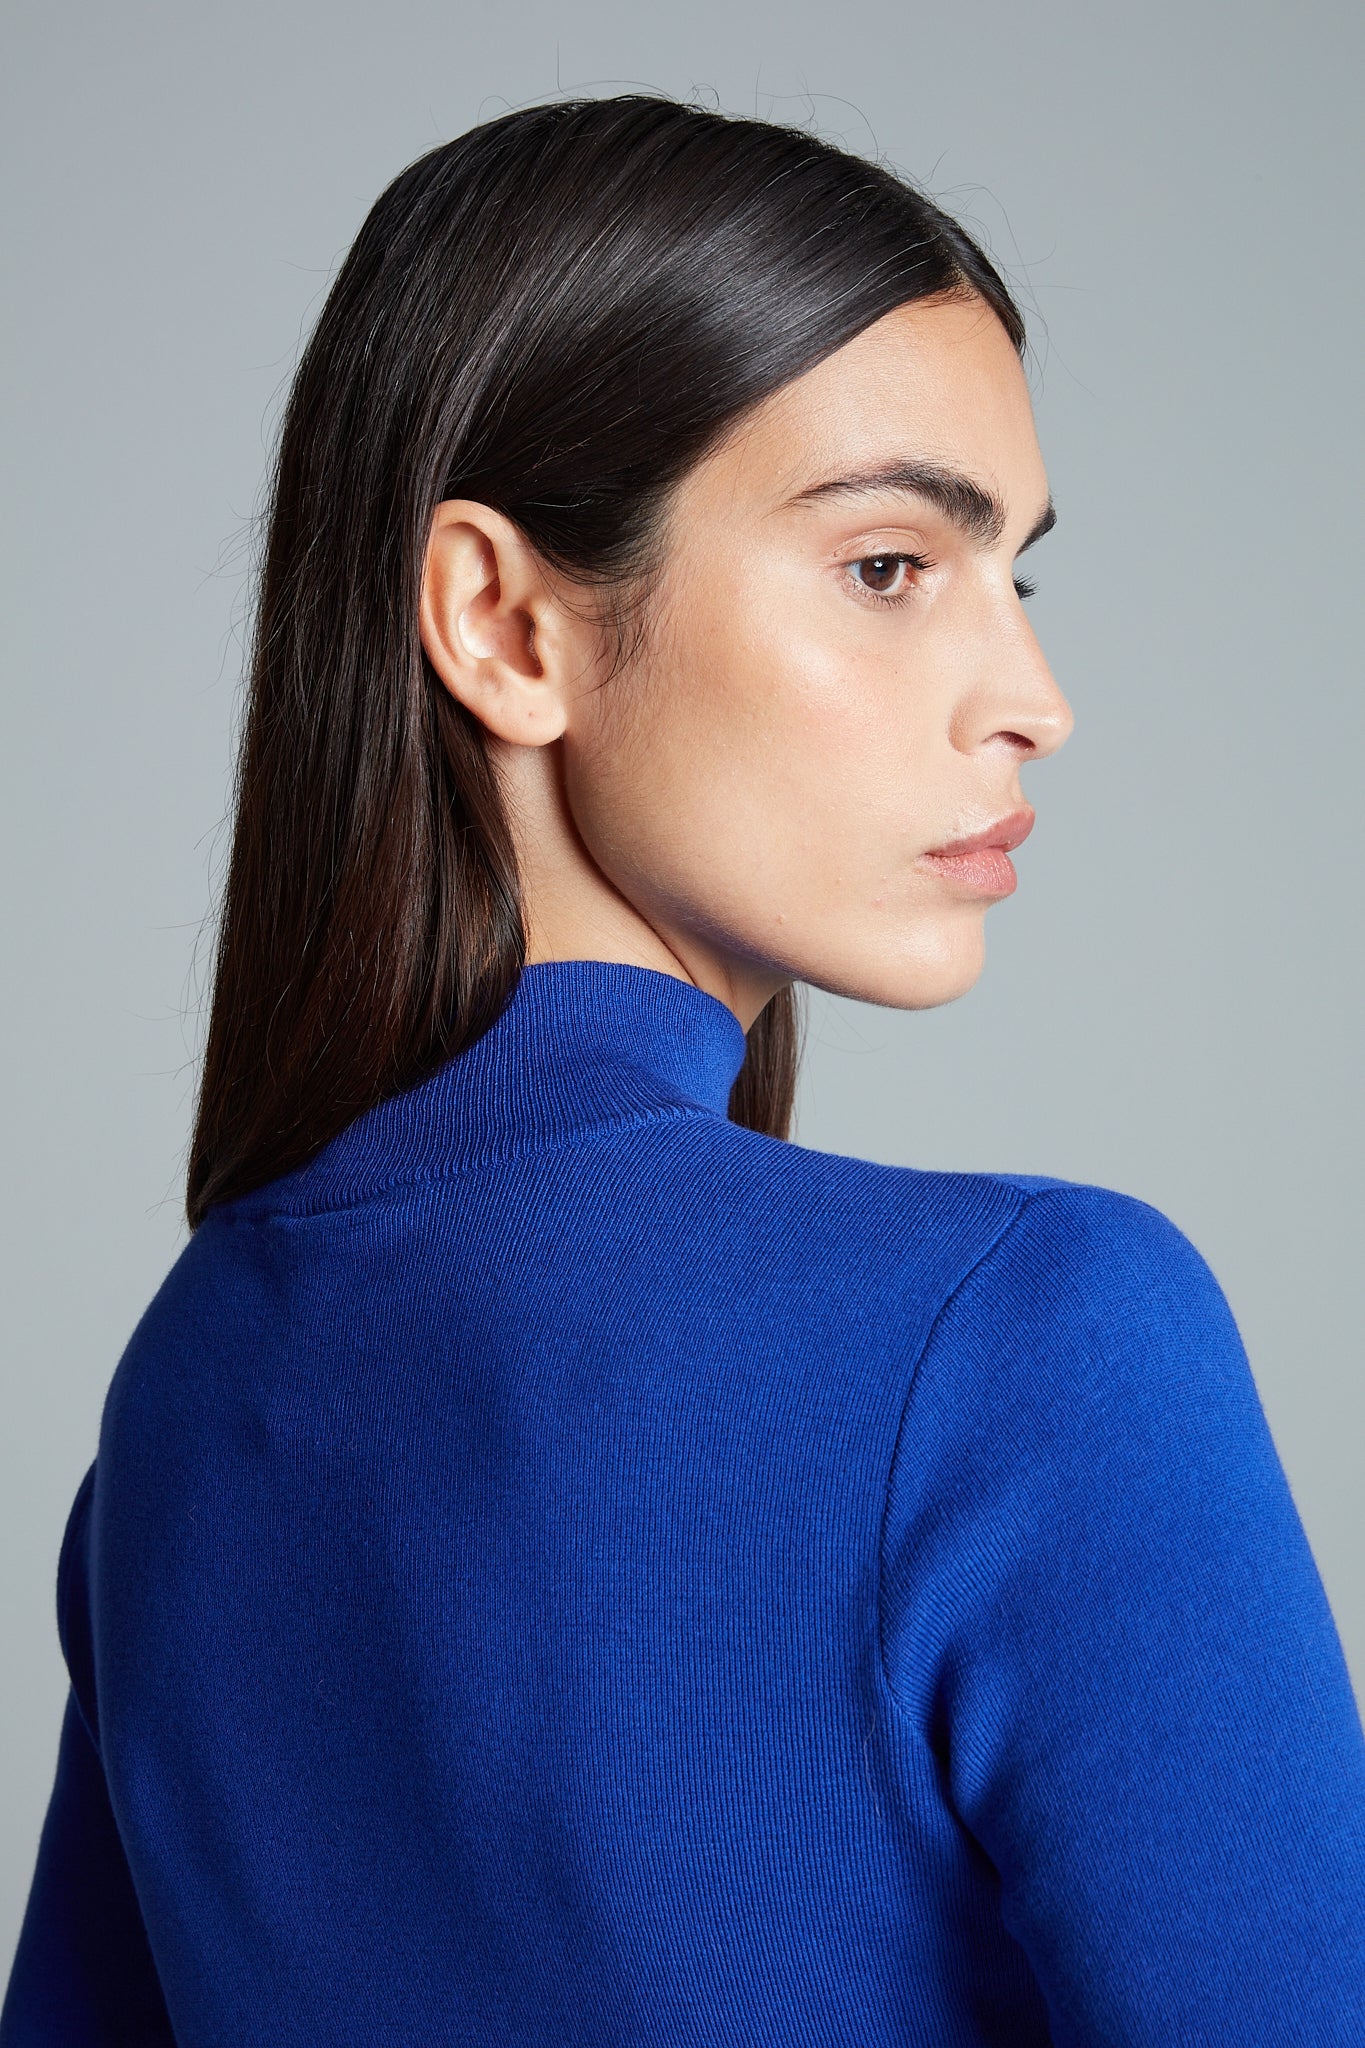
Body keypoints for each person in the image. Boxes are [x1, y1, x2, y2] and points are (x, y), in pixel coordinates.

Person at [3, 92, 1362, 2048]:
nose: (1032, 700)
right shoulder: (1026, 1342)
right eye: (887, 565)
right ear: (503, 622)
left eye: (1017, 577)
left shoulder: (185, 1405)